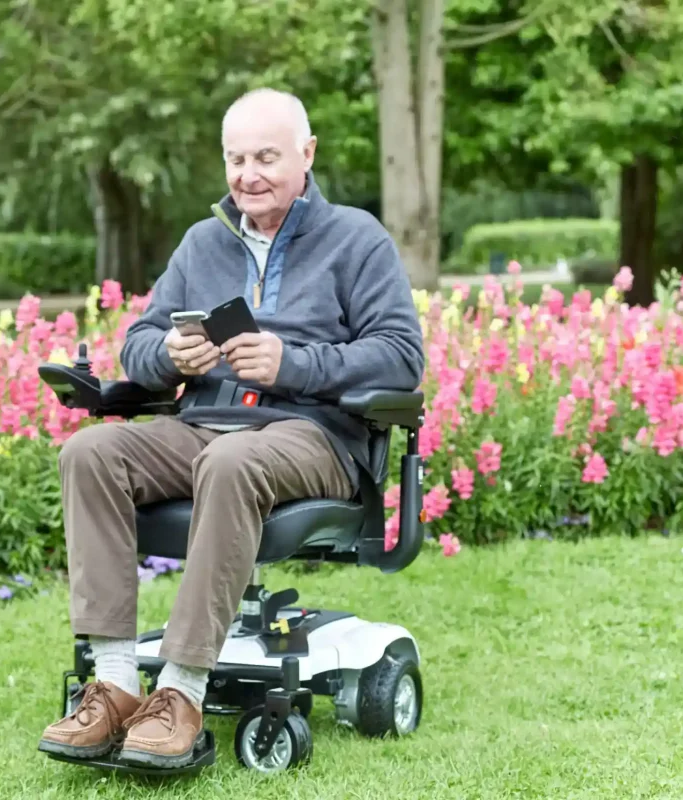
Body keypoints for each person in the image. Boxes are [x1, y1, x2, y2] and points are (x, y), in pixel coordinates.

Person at [38, 88, 426, 769]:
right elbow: (140, 341)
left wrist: (292, 363)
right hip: (205, 423)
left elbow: (400, 355)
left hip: (313, 435)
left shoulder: (357, 240)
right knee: (91, 452)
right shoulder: (203, 243)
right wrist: (168, 356)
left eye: (266, 157)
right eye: (236, 158)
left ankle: (182, 693)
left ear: (307, 155)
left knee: (233, 462)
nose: (248, 174)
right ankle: (116, 686)